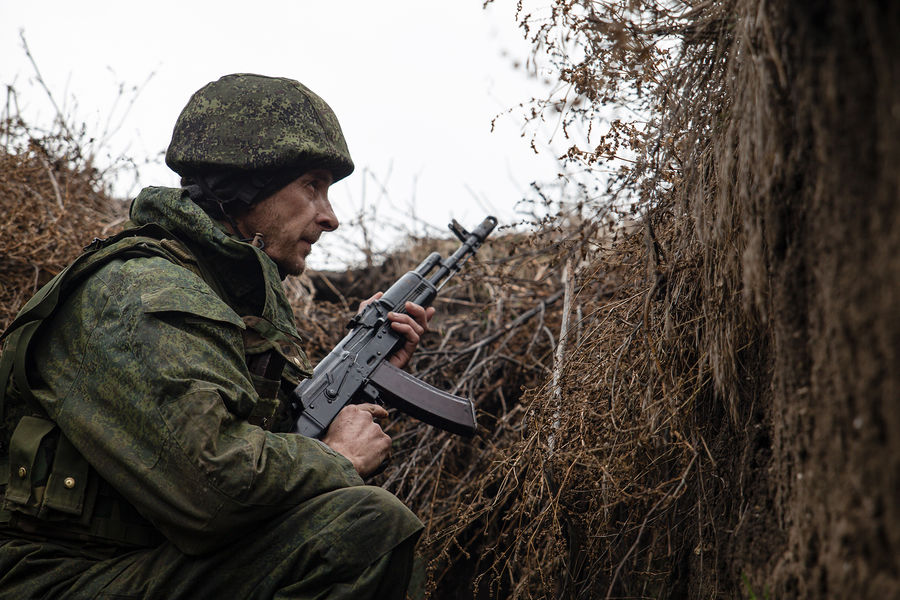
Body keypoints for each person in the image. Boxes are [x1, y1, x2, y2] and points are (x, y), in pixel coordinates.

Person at [0, 73, 433, 599]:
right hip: (56, 577)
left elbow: (273, 440)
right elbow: (213, 492)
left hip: (141, 565)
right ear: (249, 183)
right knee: (366, 528)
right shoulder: (144, 291)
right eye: (312, 186)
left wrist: (364, 376)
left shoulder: (222, 293)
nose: (330, 217)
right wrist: (338, 459)